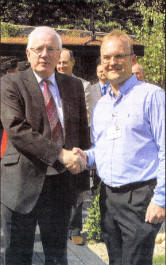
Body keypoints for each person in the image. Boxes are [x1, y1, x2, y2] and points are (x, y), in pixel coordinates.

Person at [70, 30, 165, 265]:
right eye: (107, 57)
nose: (112, 62)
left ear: (133, 60)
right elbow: (100, 150)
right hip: (108, 198)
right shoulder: (102, 106)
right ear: (101, 62)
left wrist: (161, 199)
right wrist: (84, 156)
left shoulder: (151, 96)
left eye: (119, 56)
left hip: (140, 198)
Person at [1, 26, 89, 265]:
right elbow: (17, 130)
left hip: (61, 185)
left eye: (51, 48)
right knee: (18, 256)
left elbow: (81, 132)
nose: (44, 54)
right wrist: (60, 154)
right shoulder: (10, 84)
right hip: (21, 184)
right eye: (38, 48)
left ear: (59, 53)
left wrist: (82, 180)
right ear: (28, 54)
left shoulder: (73, 86)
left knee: (57, 256)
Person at [56, 48, 91, 245]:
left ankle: (75, 229)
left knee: (77, 191)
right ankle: (59, 228)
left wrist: (84, 152)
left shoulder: (81, 86)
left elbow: (84, 119)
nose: (61, 66)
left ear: (73, 63)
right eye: (59, 63)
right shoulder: (49, 85)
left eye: (65, 62)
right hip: (55, 148)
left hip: (75, 143)